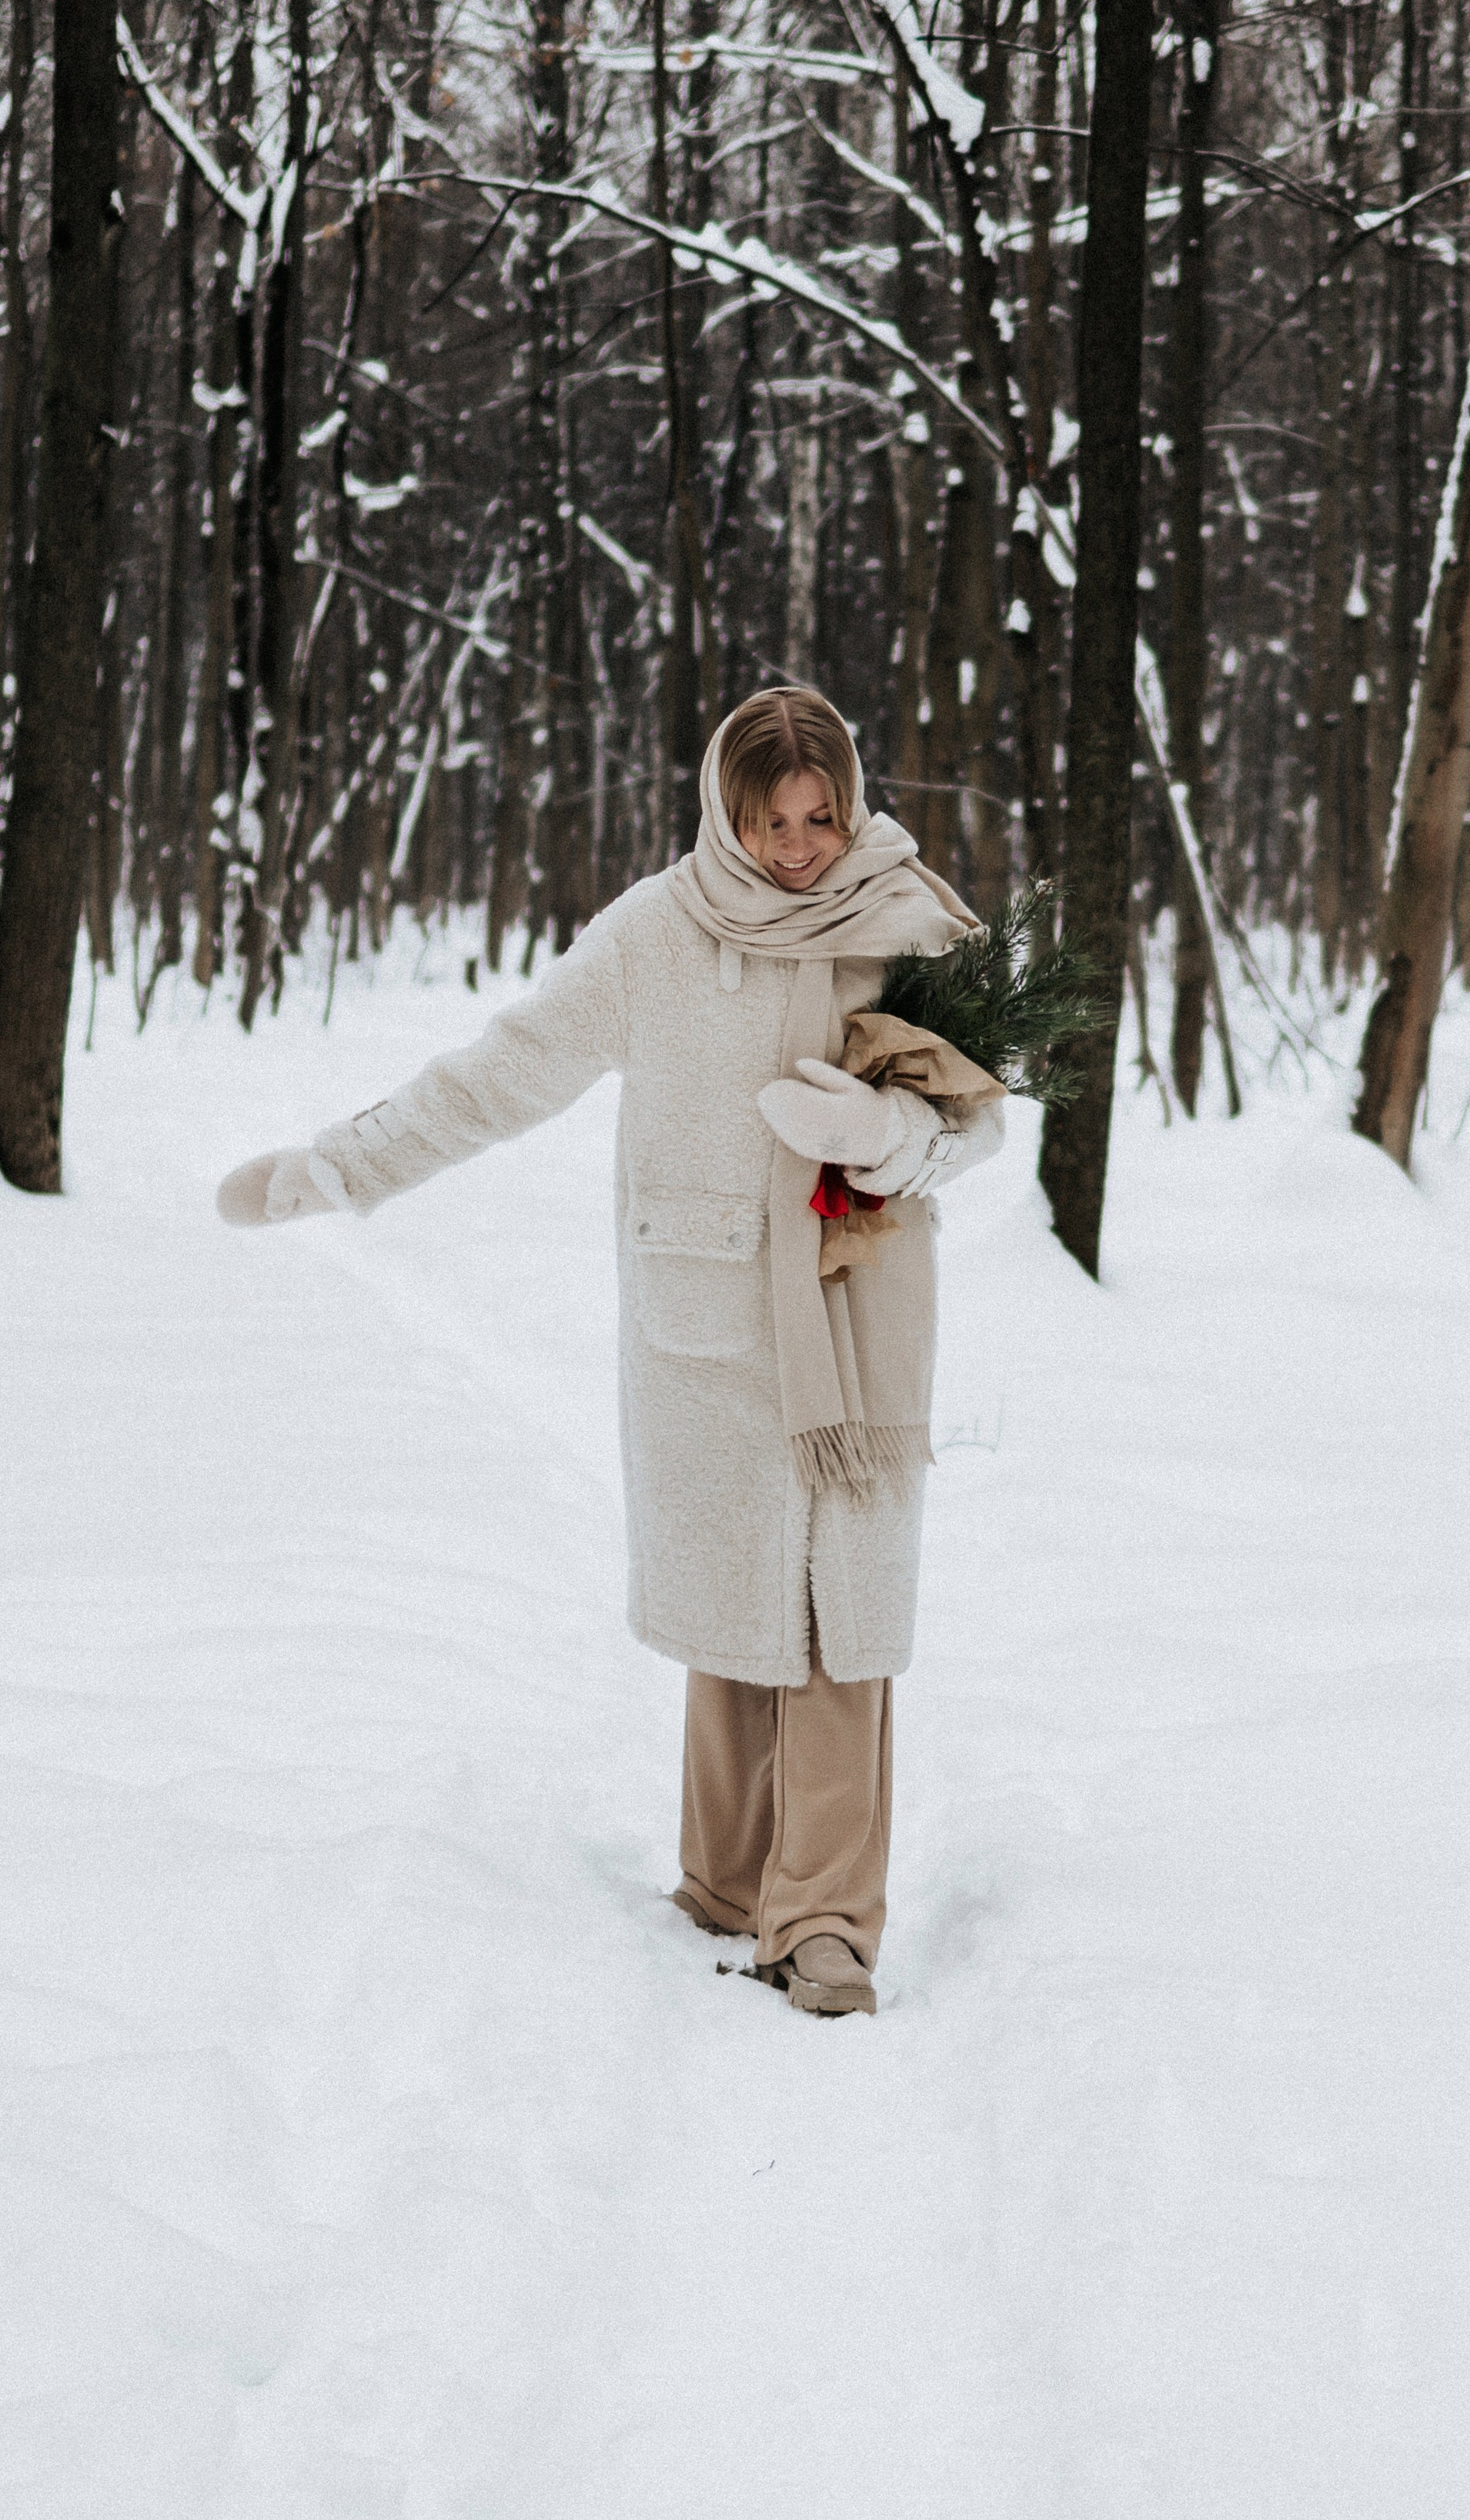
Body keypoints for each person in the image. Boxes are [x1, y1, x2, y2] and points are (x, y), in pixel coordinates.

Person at [217, 688, 1004, 2018]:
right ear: (725, 810)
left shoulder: (915, 923)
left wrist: (889, 1139)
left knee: (842, 1617)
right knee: (743, 1597)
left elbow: (981, 1124)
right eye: (771, 822)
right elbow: (499, 1074)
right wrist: (333, 1170)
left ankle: (823, 1924)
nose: (801, 847)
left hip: (862, 1318)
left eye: (822, 817)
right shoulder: (657, 934)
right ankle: (728, 1875)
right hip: (709, 1320)